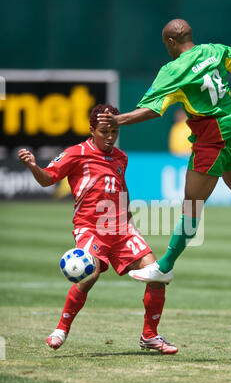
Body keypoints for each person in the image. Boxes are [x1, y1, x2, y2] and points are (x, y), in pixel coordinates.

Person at [98, 18, 231, 284]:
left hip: (212, 138)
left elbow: (153, 109)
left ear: (170, 42)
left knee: (192, 204)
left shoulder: (173, 70)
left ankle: (164, 266)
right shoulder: (214, 50)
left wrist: (118, 120)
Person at [18, 103, 178, 355]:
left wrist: (130, 219)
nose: (111, 136)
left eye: (114, 131)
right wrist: (32, 167)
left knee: (157, 276)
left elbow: (122, 188)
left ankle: (149, 335)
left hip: (122, 229)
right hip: (89, 228)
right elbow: (48, 179)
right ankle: (61, 329)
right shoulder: (75, 153)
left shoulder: (121, 157)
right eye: (105, 131)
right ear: (92, 130)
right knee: (89, 275)